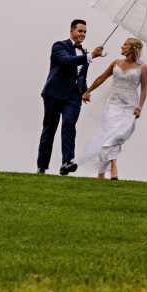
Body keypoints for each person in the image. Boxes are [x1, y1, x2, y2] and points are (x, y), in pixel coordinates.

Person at [37, 19, 105, 175]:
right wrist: (91, 55)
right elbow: (66, 61)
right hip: (54, 94)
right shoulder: (59, 46)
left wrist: (86, 91)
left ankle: (67, 162)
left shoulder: (84, 53)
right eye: (80, 31)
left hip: (73, 97)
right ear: (71, 31)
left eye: (85, 32)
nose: (83, 34)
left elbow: (81, 77)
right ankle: (42, 166)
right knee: (50, 128)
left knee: (69, 125)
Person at [79, 38, 147, 180]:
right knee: (110, 134)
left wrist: (139, 107)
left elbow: (144, 90)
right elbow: (101, 78)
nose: (122, 46)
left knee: (117, 136)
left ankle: (101, 172)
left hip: (129, 106)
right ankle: (113, 165)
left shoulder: (142, 68)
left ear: (132, 49)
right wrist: (88, 91)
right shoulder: (116, 63)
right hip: (113, 103)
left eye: (125, 44)